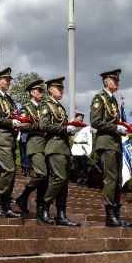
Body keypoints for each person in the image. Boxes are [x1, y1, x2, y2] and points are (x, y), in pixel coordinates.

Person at [91, 69, 132, 228]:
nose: (117, 82)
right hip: (106, 143)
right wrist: (115, 128)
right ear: (105, 81)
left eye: (118, 80)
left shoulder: (113, 100)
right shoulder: (99, 99)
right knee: (111, 179)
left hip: (115, 144)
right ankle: (110, 216)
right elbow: (95, 122)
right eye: (114, 80)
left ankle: (116, 213)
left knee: (118, 180)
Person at [39, 76, 80, 227]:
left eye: (62, 88)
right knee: (59, 178)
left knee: (64, 183)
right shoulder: (46, 105)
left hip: (64, 147)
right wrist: (65, 129)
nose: (62, 90)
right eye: (59, 88)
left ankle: (61, 213)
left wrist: (71, 130)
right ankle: (43, 207)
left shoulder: (60, 107)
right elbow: (44, 126)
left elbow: (62, 126)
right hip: (54, 146)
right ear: (50, 89)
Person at [0, 67, 23, 218]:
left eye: (9, 80)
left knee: (11, 173)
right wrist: (10, 122)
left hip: (10, 139)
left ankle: (6, 204)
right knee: (8, 170)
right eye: (6, 80)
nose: (9, 82)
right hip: (0, 138)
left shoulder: (7, 99)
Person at [15, 79, 51, 220]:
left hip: (45, 144)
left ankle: (40, 207)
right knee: (41, 174)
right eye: (39, 91)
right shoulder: (26, 108)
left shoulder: (43, 107)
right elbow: (22, 126)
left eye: (42, 91)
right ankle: (23, 196)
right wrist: (39, 127)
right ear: (32, 93)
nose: (41, 93)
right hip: (34, 143)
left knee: (45, 177)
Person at [71, 112, 93, 186]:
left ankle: (85, 182)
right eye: (78, 117)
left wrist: (89, 151)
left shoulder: (87, 127)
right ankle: (79, 181)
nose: (80, 119)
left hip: (83, 148)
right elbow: (68, 126)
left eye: (81, 117)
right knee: (77, 167)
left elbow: (90, 139)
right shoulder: (73, 127)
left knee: (84, 167)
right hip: (75, 148)